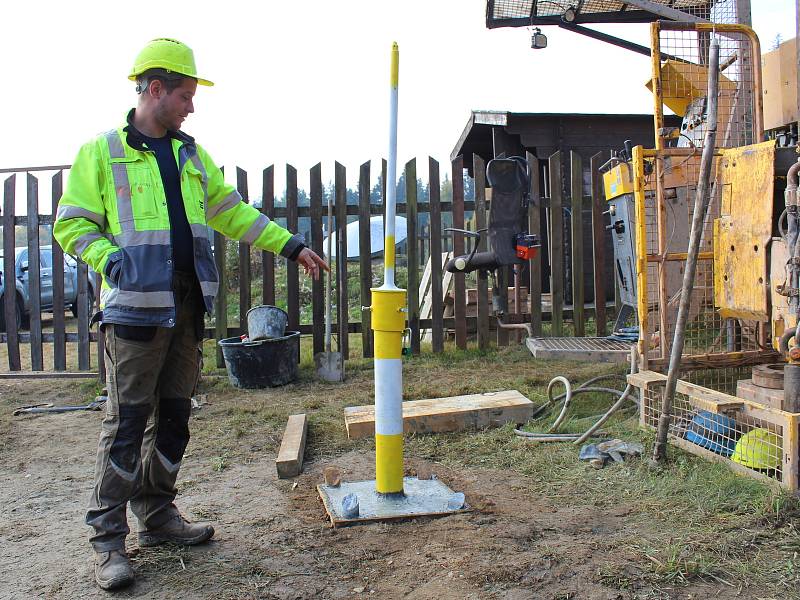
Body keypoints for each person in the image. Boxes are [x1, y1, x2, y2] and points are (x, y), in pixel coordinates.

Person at [53, 38, 328, 591]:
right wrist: (112, 260)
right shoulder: (102, 153)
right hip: (132, 314)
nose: (191, 106)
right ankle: (108, 542)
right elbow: (71, 225)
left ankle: (157, 516)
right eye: (184, 94)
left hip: (186, 308)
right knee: (127, 424)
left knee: (175, 416)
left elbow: (233, 213)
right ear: (154, 89)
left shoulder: (191, 157)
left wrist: (289, 246)